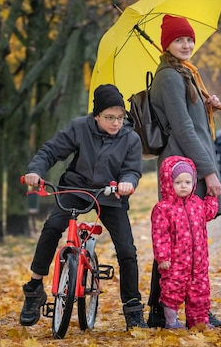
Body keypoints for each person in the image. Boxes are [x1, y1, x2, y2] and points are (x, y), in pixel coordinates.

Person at [19, 84, 148, 330]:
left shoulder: (131, 138)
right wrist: (35, 171)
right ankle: (34, 289)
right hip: (76, 189)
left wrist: (127, 183)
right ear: (96, 115)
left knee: (127, 250)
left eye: (120, 117)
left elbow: (132, 170)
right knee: (51, 227)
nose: (116, 123)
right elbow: (50, 151)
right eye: (109, 117)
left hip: (110, 194)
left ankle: (133, 308)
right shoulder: (80, 127)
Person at [147, 14, 221, 328]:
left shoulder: (186, 74)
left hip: (190, 163)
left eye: (189, 39)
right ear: (167, 43)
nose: (186, 44)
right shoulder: (169, 76)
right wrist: (208, 171)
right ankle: (168, 310)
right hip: (182, 168)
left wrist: (207, 107)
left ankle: (181, 308)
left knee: (187, 238)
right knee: (178, 239)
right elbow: (182, 128)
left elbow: (192, 122)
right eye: (179, 39)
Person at [151, 156, 219, 329]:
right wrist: (163, 257)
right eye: (178, 182)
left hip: (199, 262)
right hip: (175, 262)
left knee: (200, 291)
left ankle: (199, 321)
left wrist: (212, 198)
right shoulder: (163, 208)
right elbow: (160, 234)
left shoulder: (197, 203)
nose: (183, 186)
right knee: (172, 290)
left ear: (193, 183)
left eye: (188, 182)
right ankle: (171, 321)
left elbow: (208, 213)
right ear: (168, 182)